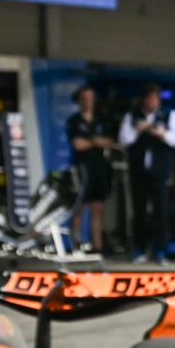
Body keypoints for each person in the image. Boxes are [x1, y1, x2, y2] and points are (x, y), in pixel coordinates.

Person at [119, 83, 175, 264]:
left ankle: (161, 250)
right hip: (139, 172)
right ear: (143, 100)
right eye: (148, 99)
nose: (152, 102)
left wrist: (162, 134)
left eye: (155, 99)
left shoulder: (169, 115)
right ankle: (139, 248)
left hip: (161, 172)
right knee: (139, 211)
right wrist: (138, 130)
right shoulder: (132, 116)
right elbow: (124, 139)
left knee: (161, 212)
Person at [66, 85, 117, 254]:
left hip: (99, 171)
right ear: (80, 100)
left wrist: (92, 141)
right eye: (84, 98)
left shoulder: (101, 121)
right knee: (79, 208)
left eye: (90, 98)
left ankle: (98, 247)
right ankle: (76, 245)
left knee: (97, 210)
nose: (88, 101)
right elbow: (78, 144)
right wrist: (95, 142)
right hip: (81, 170)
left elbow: (109, 142)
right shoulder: (74, 121)